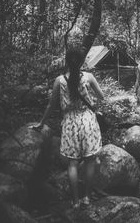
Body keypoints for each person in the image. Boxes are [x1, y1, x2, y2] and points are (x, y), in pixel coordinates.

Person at [32, 48, 104, 208]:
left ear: (67, 62)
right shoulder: (88, 77)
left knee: (72, 164)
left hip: (70, 123)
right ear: (81, 61)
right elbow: (101, 96)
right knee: (90, 160)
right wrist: (94, 107)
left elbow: (51, 105)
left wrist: (41, 122)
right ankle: (87, 198)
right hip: (88, 121)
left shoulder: (60, 80)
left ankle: (76, 201)